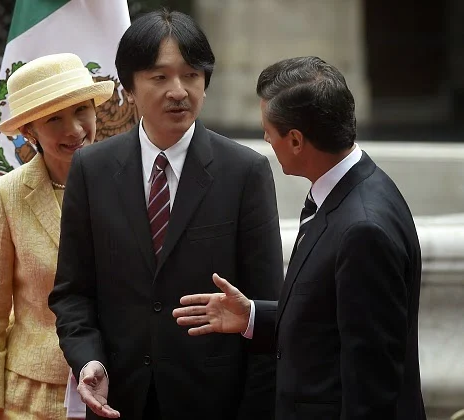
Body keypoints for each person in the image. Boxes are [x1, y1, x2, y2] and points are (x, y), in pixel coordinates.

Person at [48, 9, 284, 420]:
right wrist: (88, 361)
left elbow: (267, 306)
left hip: (214, 402)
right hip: (119, 399)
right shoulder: (92, 169)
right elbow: (73, 293)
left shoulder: (245, 172)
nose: (179, 91)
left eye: (191, 75)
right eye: (160, 77)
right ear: (130, 88)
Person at [173, 56, 427, 420]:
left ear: (295, 140)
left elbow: (371, 386)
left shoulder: (363, 230)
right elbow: (331, 323)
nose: (264, 138)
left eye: (268, 130)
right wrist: (252, 316)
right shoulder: (357, 186)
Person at [0, 53, 114, 420]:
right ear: (29, 131)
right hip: (31, 399)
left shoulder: (128, 184)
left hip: (119, 385)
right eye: (54, 118)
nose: (74, 129)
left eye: (82, 109)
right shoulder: (4, 195)